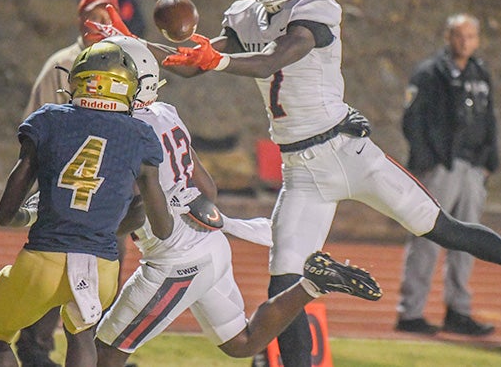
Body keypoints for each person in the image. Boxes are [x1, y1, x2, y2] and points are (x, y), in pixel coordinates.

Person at [157, 0, 501, 366]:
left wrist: (217, 60)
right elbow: (194, 64)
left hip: (348, 153)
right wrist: (134, 49)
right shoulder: (247, 16)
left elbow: (276, 58)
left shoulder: (316, 10)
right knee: (284, 285)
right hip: (301, 172)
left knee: (443, 229)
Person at [93, 35, 382, 367]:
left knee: (106, 351)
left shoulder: (124, 131)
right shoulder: (165, 113)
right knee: (241, 343)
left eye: (103, 81)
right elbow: (208, 188)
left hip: (178, 260)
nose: (93, 89)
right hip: (211, 242)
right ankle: (313, 285)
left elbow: (137, 216)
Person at [0, 41, 180, 367]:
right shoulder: (140, 135)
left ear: (77, 80)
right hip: (102, 268)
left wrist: (25, 215)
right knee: (82, 336)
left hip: (43, 261)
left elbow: (5, 213)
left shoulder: (48, 120)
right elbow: (161, 226)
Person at [16, 0, 120, 367]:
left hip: (106, 189)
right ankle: (35, 348)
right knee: (53, 272)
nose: (102, 21)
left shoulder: (124, 60)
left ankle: (102, 354)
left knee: (103, 277)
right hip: (66, 186)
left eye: (109, 14)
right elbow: (35, 125)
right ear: (80, 19)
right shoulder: (61, 63)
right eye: (95, 14)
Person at [395, 13, 498, 336]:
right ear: (447, 37)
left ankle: (458, 310)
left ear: (477, 40)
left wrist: (487, 162)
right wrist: (430, 161)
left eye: (470, 36)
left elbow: (489, 119)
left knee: (468, 242)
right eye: (458, 36)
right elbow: (412, 120)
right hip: (440, 167)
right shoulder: (429, 73)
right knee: (427, 237)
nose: (464, 42)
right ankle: (410, 312)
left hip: (470, 169)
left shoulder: (481, 73)